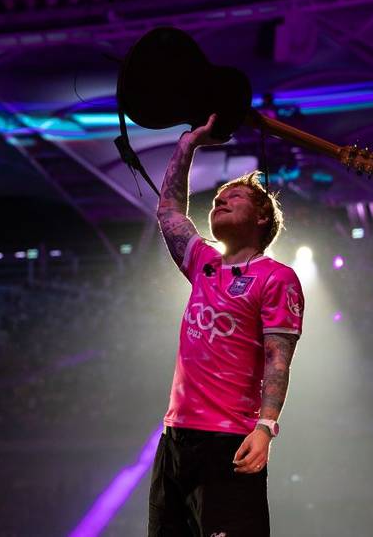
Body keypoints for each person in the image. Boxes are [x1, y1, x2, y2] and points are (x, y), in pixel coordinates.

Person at [148, 113, 305, 536]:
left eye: (234, 196)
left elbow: (278, 359)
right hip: (175, 438)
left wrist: (265, 427)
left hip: (228, 442)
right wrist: (189, 144)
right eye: (218, 197)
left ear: (262, 218)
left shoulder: (277, 277)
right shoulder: (203, 263)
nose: (220, 200)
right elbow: (168, 211)